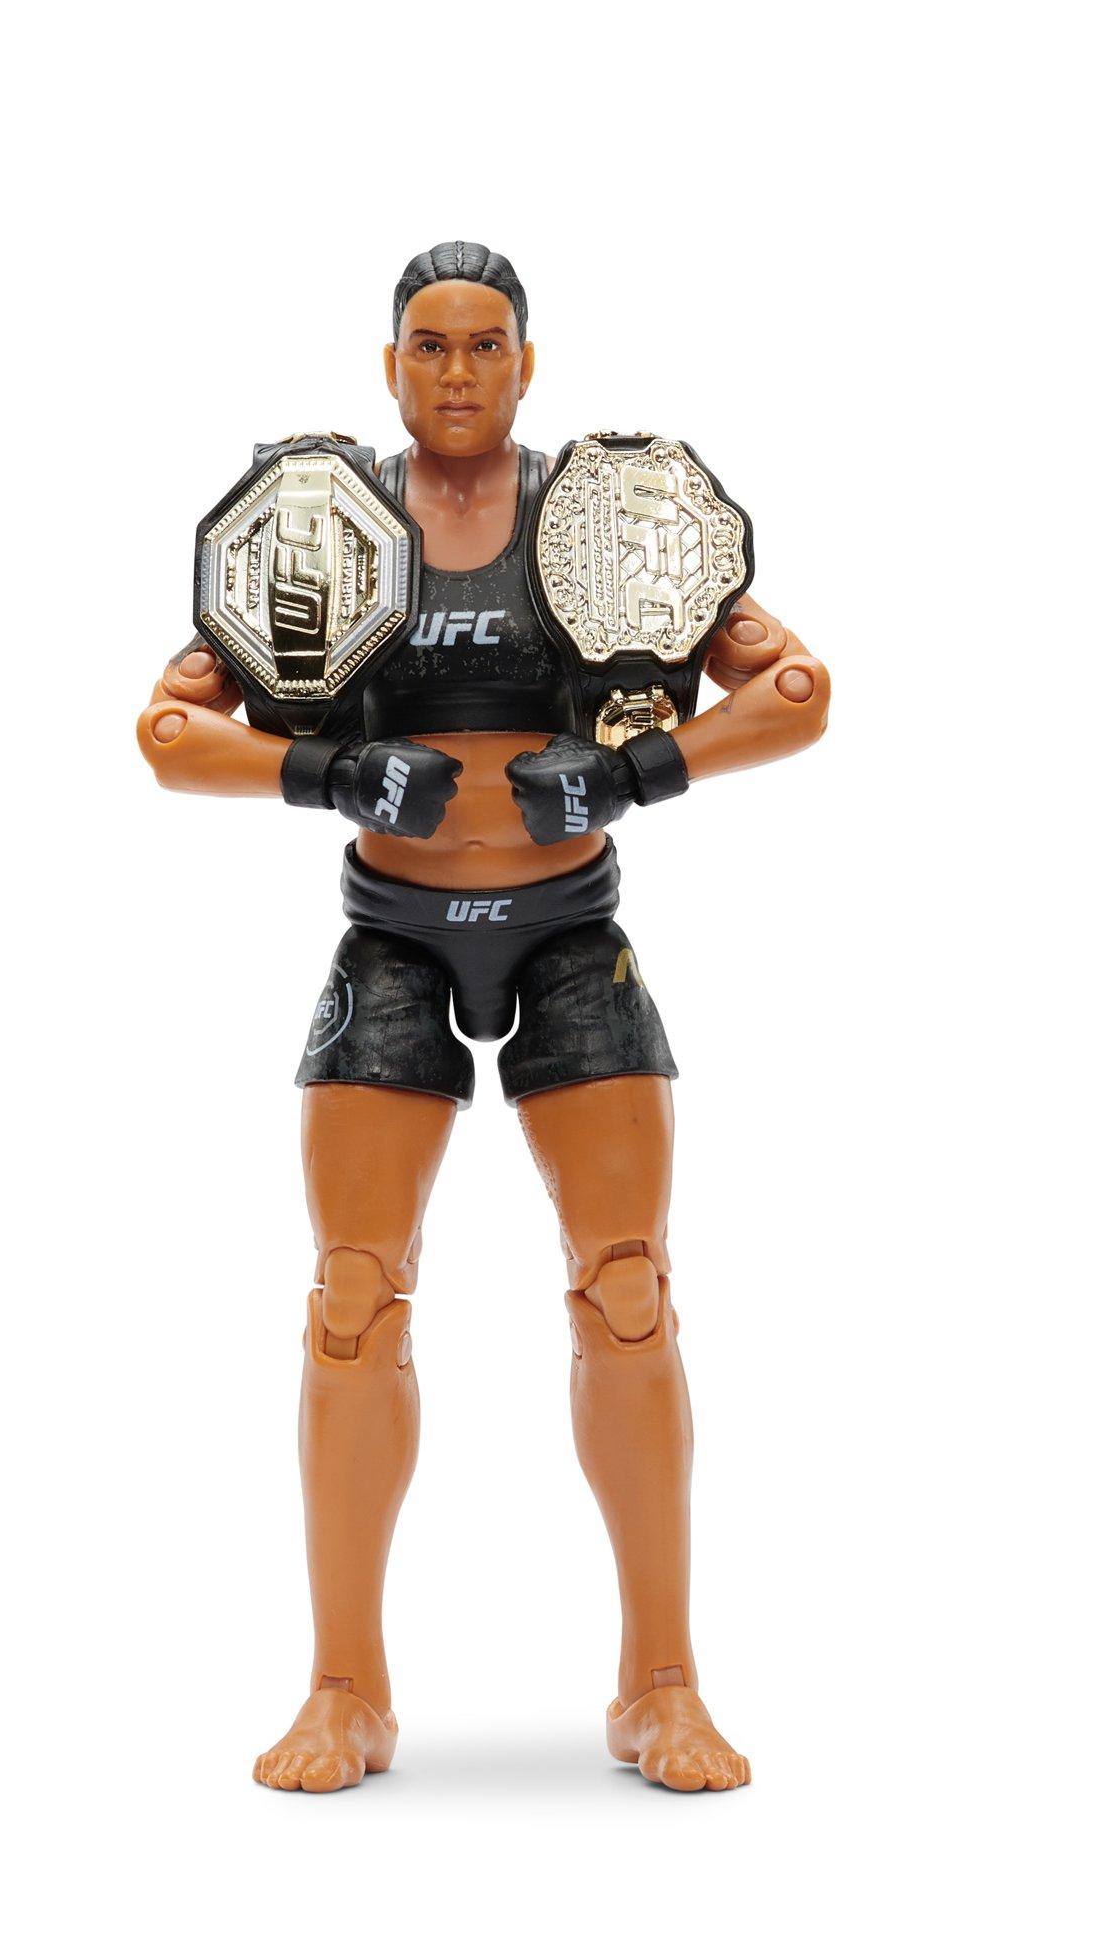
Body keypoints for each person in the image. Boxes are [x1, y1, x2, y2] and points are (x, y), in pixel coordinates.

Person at [138, 241, 830, 1791]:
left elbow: (797, 692)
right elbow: (168, 731)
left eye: (486, 345)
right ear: (390, 367)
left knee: (628, 1289)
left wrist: (640, 771)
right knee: (353, 1297)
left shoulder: (612, 518)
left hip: (569, 933)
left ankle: (661, 1684)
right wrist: (324, 770)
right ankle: (344, 1689)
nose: (459, 372)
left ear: (529, 363)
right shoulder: (318, 522)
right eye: (432, 347)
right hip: (392, 939)